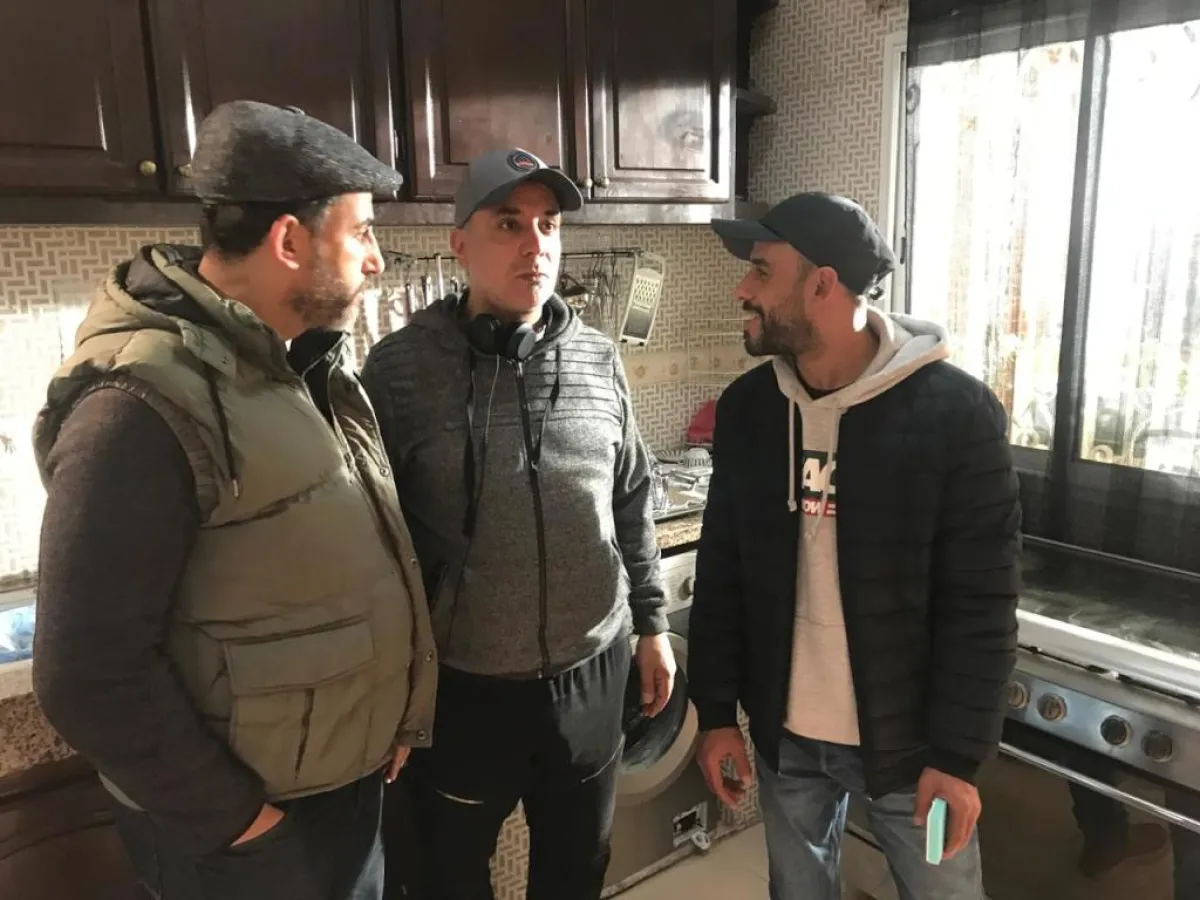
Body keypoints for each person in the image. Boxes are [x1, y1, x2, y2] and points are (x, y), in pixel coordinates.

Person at [30, 100, 437, 900]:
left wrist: (388, 719)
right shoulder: (141, 402)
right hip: (246, 837)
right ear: (288, 241)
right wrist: (243, 825)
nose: (376, 261)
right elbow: (84, 673)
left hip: (335, 795)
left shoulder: (298, 368)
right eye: (361, 233)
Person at [360, 147, 675, 900]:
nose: (535, 244)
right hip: (462, 689)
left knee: (576, 872)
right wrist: (389, 688)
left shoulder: (599, 359)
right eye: (509, 223)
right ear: (459, 244)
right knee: (446, 881)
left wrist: (653, 624)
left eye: (548, 224)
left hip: (592, 672)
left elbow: (631, 498)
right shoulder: (397, 371)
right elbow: (374, 546)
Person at [688, 192, 1022, 899]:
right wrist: (716, 714)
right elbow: (722, 572)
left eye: (762, 271)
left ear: (823, 284)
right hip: (787, 742)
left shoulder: (956, 416)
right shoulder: (750, 410)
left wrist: (958, 757)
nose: (743, 288)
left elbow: (982, 601)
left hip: (912, 753)